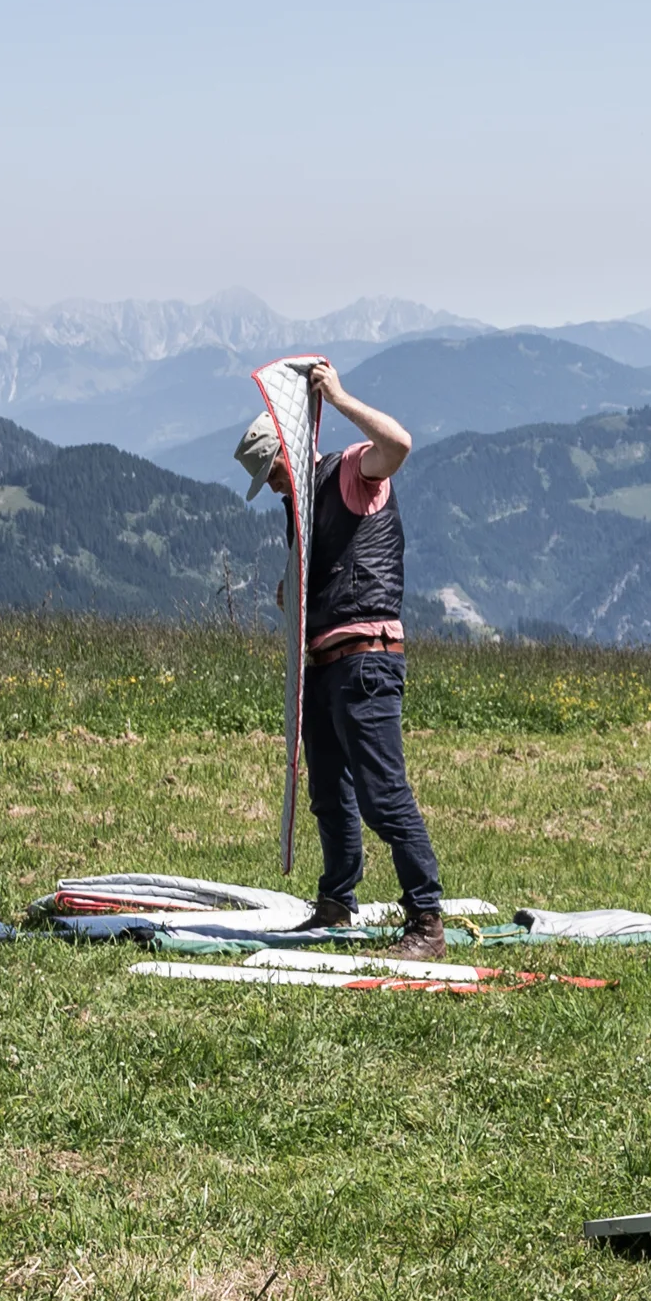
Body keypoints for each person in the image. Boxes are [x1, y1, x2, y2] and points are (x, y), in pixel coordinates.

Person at [240, 357, 450, 955]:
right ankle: (336, 901)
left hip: (366, 660)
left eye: (275, 471)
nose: (276, 486)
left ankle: (426, 921)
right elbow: (318, 579)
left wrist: (338, 396)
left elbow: (400, 443)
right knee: (329, 793)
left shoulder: (352, 471)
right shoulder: (299, 510)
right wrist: (295, 592)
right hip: (326, 666)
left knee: (383, 794)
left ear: (289, 450)